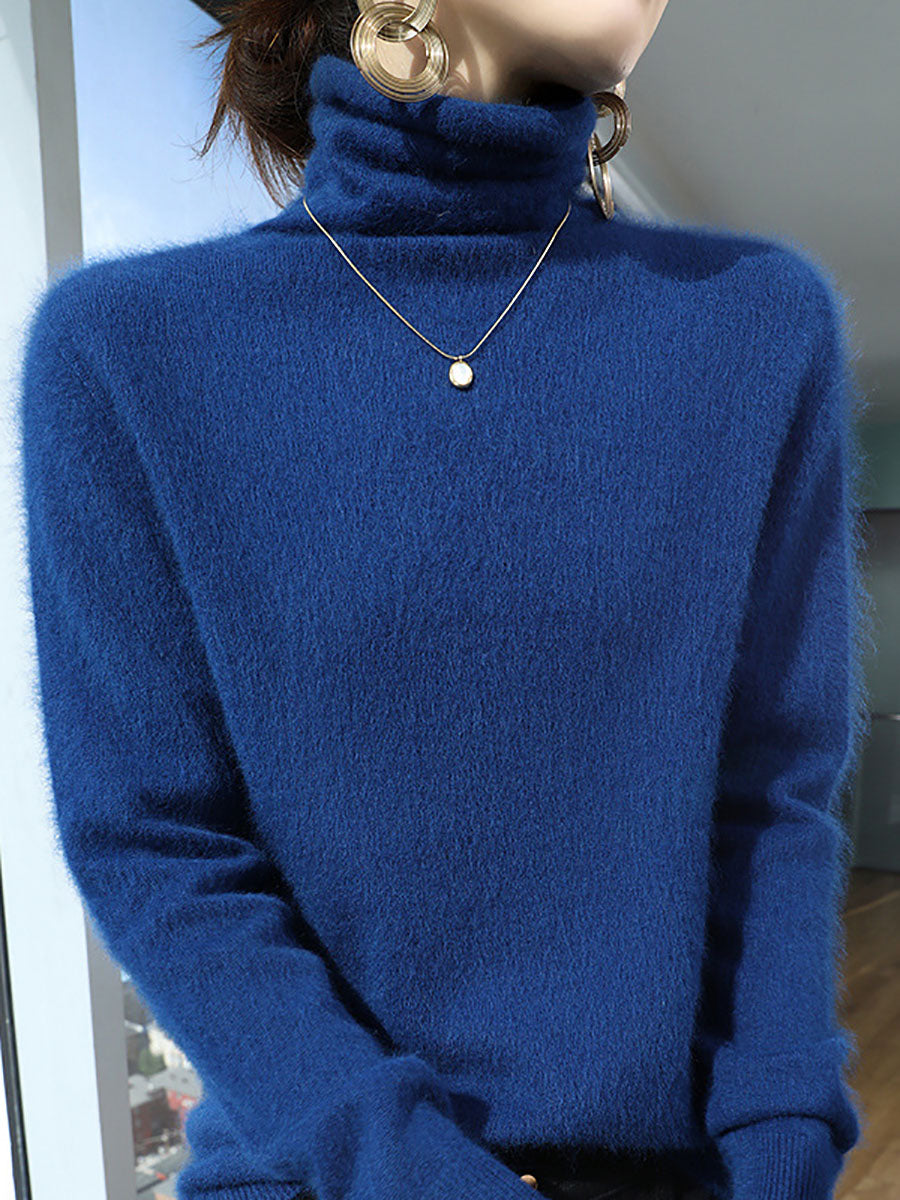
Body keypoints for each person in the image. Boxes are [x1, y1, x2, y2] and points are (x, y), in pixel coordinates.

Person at [16, 2, 872, 1199]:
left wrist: (783, 1151)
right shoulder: (123, 353)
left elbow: (772, 792)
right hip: (321, 1180)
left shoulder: (756, 322)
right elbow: (156, 844)